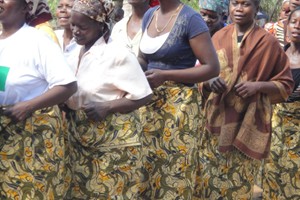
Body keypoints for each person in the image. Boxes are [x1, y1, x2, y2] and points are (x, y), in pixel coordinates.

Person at [197, 0, 294, 199]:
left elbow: (285, 84)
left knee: (238, 182)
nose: (239, 9)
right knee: (208, 179)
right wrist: (209, 82)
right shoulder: (218, 37)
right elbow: (203, 73)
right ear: (229, 7)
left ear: (256, 9)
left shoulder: (268, 42)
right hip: (216, 116)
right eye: (235, 3)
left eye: (246, 4)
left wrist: (257, 86)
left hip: (248, 120)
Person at [64, 0, 153, 199]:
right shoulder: (71, 51)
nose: (76, 31)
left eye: (83, 27)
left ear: (100, 25)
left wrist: (108, 106)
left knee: (107, 192)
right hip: (78, 138)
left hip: (111, 142)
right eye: (73, 25)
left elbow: (144, 95)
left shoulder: (117, 54)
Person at [137, 0, 220, 199]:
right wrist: (131, 66)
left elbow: (212, 67)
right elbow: (143, 58)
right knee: (145, 166)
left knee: (174, 169)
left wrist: (167, 75)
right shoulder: (150, 15)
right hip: (148, 104)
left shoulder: (191, 19)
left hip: (178, 108)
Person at [0, 0, 78, 199]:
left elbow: (68, 85)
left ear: (26, 7)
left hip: (30, 137)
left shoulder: (37, 41)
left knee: (31, 191)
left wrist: (28, 106)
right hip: (5, 136)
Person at [262, 6, 300, 199]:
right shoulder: (276, 57)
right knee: (271, 179)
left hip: (297, 137)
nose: (297, 27)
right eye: (294, 22)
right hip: (273, 132)